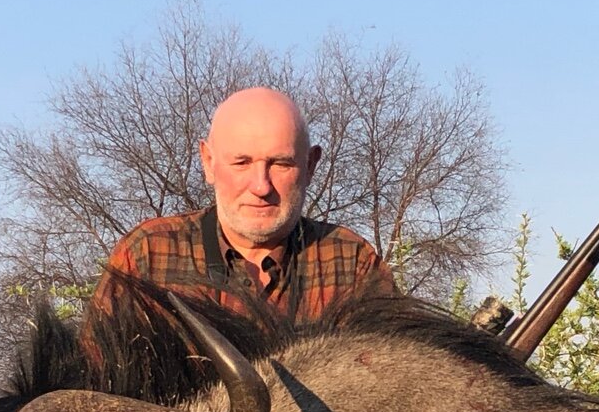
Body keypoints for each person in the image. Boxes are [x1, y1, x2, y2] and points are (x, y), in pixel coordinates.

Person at [90, 87, 396, 323]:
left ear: (311, 165)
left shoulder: (352, 263)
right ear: (208, 162)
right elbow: (94, 389)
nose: (261, 186)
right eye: (241, 162)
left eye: (281, 164)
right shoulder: (147, 256)